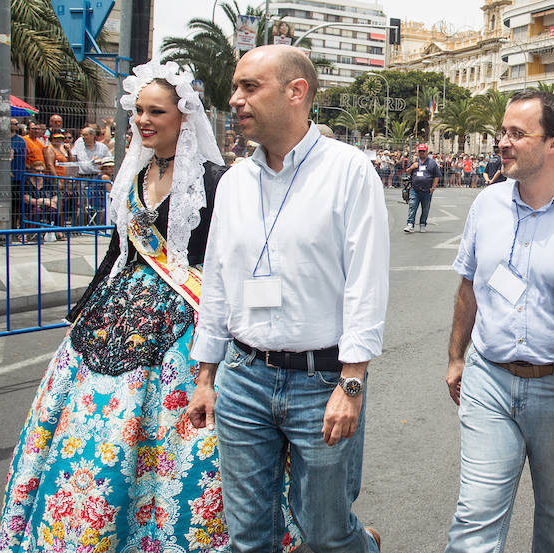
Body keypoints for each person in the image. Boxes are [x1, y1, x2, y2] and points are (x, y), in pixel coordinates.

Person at [0, 60, 308, 553]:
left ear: (184, 117)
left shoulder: (218, 180)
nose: (143, 120)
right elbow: (121, 250)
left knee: (186, 444)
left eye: (155, 111)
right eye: (138, 110)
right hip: (118, 314)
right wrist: (85, 306)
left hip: (189, 320)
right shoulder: (133, 174)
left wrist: (260, 314)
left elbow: (246, 257)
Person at [185, 45, 388, 553]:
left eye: (249, 87)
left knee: (325, 532)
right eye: (235, 88)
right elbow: (217, 280)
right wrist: (207, 377)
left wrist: (352, 383)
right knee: (248, 537)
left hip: (321, 382)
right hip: (244, 379)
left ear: (296, 92)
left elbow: (366, 283)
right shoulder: (234, 182)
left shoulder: (348, 170)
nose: (235, 99)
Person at [444, 91, 554, 553]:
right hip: (489, 380)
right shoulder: (487, 203)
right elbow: (469, 286)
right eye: (501, 133)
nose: (502, 143)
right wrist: (456, 357)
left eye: (516, 134)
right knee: (476, 515)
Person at [404, 143, 441, 233]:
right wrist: (412, 167)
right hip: (415, 189)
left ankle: (423, 224)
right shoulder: (414, 161)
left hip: (427, 190)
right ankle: (410, 224)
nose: (422, 153)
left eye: (423, 151)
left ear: (426, 152)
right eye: (420, 151)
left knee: (425, 208)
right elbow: (407, 172)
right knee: (412, 206)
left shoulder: (432, 163)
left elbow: (437, 176)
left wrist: (433, 187)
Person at [9, 118, 27, 229]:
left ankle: (16, 228)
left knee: (17, 204)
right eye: (14, 124)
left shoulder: (19, 140)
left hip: (17, 177)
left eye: (17, 124)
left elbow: (11, 153)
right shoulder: (2, 140)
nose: (17, 125)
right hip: (4, 178)